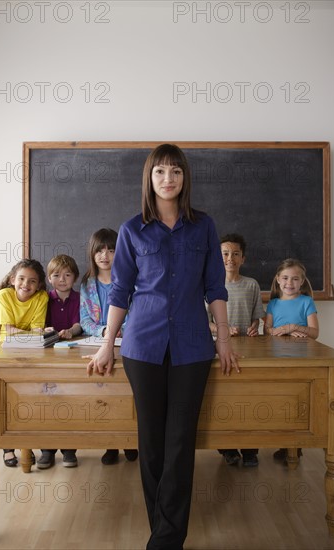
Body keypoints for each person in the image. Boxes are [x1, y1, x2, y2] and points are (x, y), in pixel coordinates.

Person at [83, 144, 240, 550]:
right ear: (149, 179)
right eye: (160, 172)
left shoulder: (204, 226)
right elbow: (119, 291)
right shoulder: (133, 229)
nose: (168, 179)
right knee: (151, 442)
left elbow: (214, 288)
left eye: (175, 171)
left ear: (184, 178)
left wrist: (223, 339)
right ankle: (163, 528)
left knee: (180, 441)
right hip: (142, 346)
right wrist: (107, 346)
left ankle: (167, 538)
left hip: (192, 348)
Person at [80, 228, 138, 466]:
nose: (105, 255)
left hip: (127, 341)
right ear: (92, 253)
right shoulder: (88, 283)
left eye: (111, 250)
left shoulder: (129, 281)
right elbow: (85, 319)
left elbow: (135, 311)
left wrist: (120, 329)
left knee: (128, 393)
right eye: (100, 250)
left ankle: (131, 440)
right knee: (105, 392)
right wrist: (104, 331)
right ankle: (111, 443)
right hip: (98, 342)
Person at [208, 233, 265, 467]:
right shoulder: (211, 284)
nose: (230, 258)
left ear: (243, 258)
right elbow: (205, 320)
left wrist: (254, 327)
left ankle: (251, 449)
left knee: (249, 399)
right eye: (224, 253)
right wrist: (221, 330)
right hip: (220, 348)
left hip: (247, 348)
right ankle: (228, 448)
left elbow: (257, 318)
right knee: (225, 399)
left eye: (235, 254)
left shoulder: (251, 284)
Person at [0, 259, 48, 467]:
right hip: (6, 351)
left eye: (32, 281)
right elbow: (9, 330)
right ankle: (8, 448)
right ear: (13, 279)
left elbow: (38, 330)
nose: (26, 284)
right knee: (5, 398)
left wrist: (30, 333)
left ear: (39, 285)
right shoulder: (4, 295)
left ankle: (27, 444)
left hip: (31, 352)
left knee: (28, 398)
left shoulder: (41, 297)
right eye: (21, 279)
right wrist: (30, 332)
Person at [265, 258, 319, 463]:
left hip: (301, 360)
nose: (290, 282)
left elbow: (314, 332)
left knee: (298, 404)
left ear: (302, 281)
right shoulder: (273, 303)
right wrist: (280, 331)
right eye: (286, 278)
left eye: (295, 279)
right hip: (277, 360)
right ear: (278, 279)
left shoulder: (306, 302)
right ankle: (285, 444)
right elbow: (267, 330)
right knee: (282, 403)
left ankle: (293, 448)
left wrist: (292, 328)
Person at [37, 254, 82, 470]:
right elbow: (38, 324)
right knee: (47, 400)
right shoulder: (44, 298)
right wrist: (46, 330)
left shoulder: (80, 298)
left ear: (75, 277)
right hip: (47, 355)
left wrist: (72, 331)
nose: (62, 279)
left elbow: (79, 324)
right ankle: (47, 449)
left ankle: (69, 449)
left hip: (72, 353)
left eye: (67, 275)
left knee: (69, 398)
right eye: (56, 275)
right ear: (48, 278)